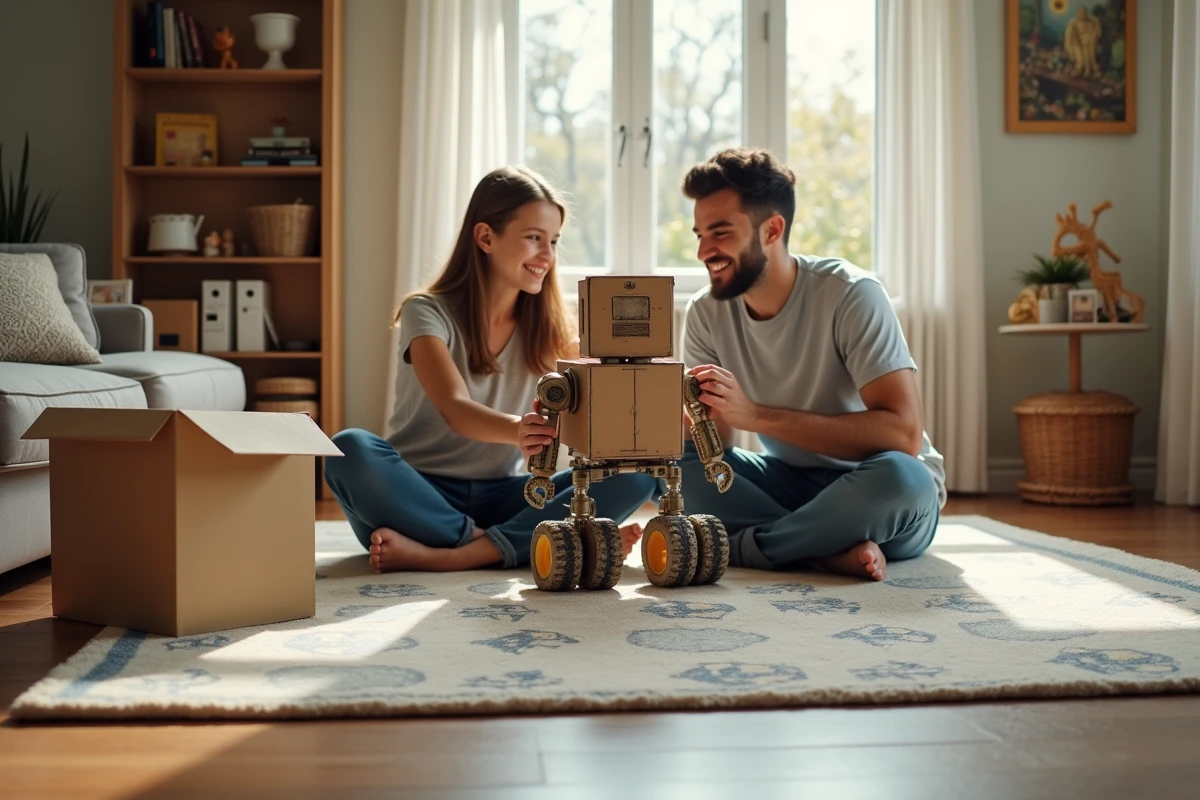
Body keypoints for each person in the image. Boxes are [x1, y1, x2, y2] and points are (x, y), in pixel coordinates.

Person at [325, 166, 658, 574]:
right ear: (485, 237)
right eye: (534, 238)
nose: (548, 256)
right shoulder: (426, 312)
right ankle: (532, 542)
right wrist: (518, 429)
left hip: (504, 493)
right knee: (347, 448)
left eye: (553, 241)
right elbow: (454, 407)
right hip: (416, 494)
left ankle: (451, 555)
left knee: (637, 475)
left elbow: (605, 406)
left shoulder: (553, 330)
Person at [676, 148, 946, 582]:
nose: (704, 251)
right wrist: (689, 413)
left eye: (720, 232)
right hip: (791, 482)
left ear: (772, 229)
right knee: (675, 462)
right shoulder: (706, 311)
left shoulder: (851, 293)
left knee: (904, 477)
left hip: (875, 485)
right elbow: (717, 450)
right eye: (700, 234)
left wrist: (755, 415)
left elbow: (903, 435)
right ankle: (822, 550)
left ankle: (760, 547)